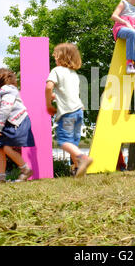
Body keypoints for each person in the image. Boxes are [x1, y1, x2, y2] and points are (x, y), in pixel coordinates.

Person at [45, 43, 93, 177]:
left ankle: (83, 158)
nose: (54, 58)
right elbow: (67, 93)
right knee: (73, 144)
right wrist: (55, 97)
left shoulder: (56, 70)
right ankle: (78, 170)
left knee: (64, 141)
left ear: (60, 57)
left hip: (67, 113)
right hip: (79, 111)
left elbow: (49, 87)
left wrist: (49, 104)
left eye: (55, 56)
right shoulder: (74, 74)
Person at [0, 68, 34, 183]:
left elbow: (6, 108)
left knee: (6, 147)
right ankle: (1, 178)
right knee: (0, 149)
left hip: (17, 121)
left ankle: (25, 169)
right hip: (5, 124)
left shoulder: (8, 90)